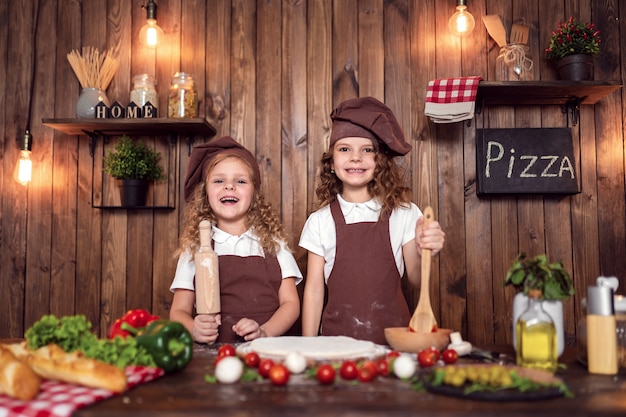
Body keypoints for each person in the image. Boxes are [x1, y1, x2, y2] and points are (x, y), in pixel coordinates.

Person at [299, 96, 446, 345]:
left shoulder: (405, 213)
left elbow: (417, 279)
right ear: (332, 163)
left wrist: (426, 251)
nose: (355, 157)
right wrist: (308, 347)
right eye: (344, 149)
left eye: (367, 150)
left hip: (395, 345)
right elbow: (314, 291)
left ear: (380, 163)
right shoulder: (319, 222)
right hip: (335, 348)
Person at [169, 136, 302, 344]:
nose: (229, 186)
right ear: (206, 193)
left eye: (240, 181)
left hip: (270, 351)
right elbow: (178, 311)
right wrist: (194, 328)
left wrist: (265, 332)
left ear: (254, 194)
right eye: (219, 180)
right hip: (214, 354)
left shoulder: (274, 244)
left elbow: (291, 303)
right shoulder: (195, 248)